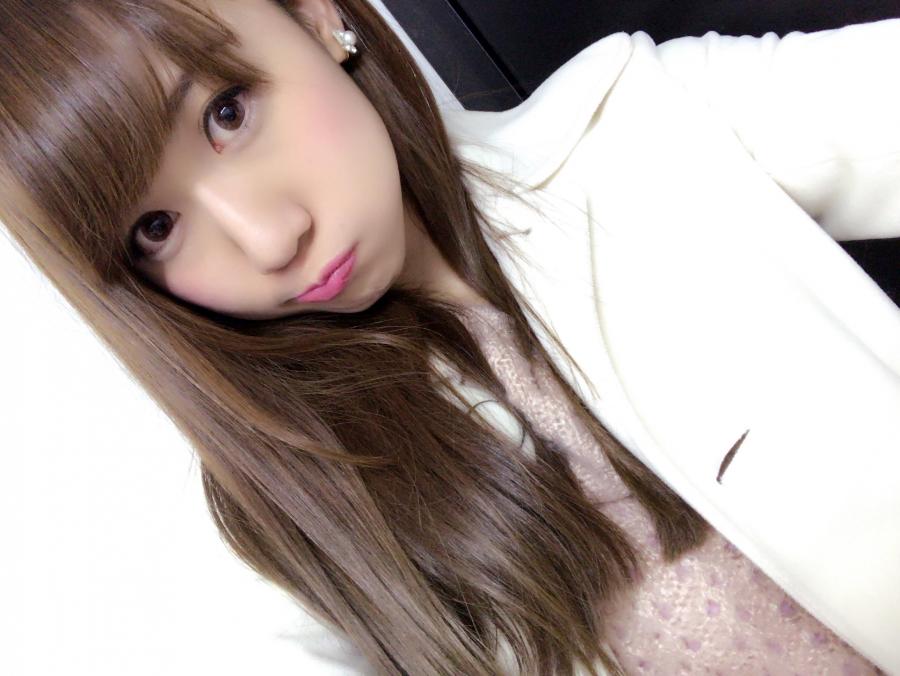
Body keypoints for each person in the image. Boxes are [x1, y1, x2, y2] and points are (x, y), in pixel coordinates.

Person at [0, 1, 895, 674]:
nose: (268, 239)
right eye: (154, 229)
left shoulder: (640, 137)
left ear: (316, 17)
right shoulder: (290, 528)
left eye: (227, 113)